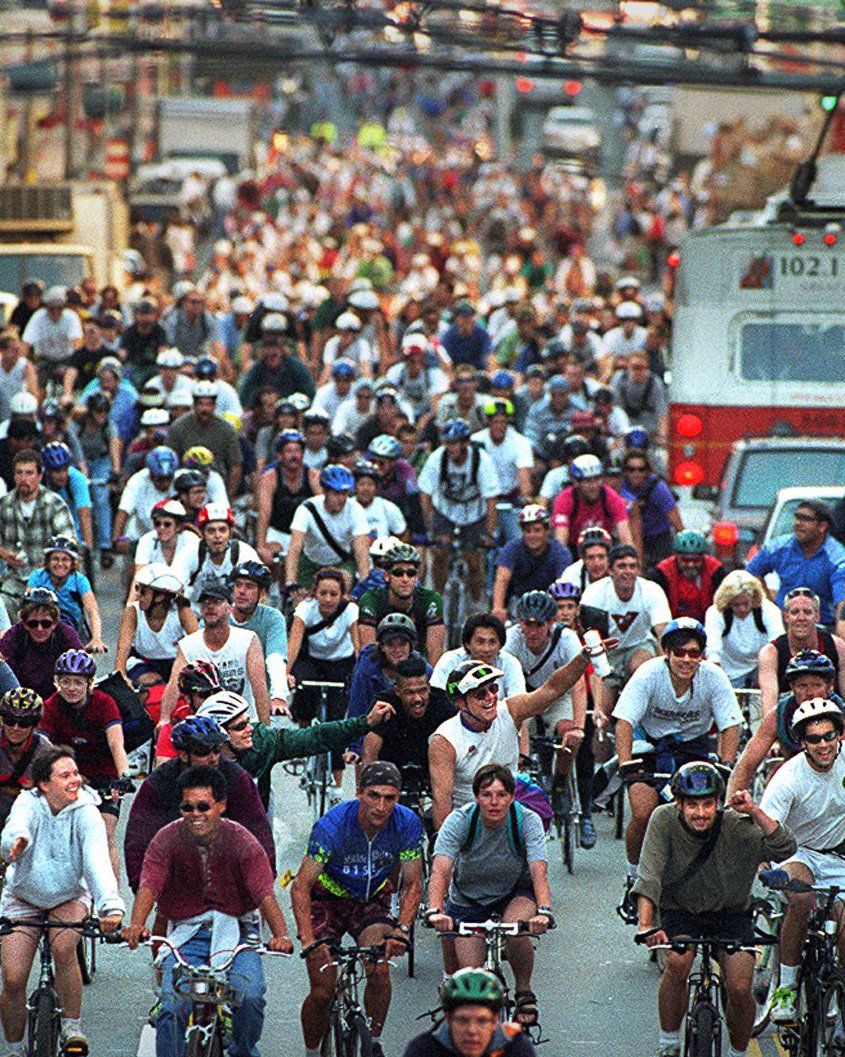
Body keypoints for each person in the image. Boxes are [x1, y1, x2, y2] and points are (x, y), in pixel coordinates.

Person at [124, 764, 293, 1057]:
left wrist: (281, 935)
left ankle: (242, 1050)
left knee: (250, 998)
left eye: (204, 806)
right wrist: (136, 924)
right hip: (186, 936)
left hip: (239, 933)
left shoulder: (243, 841)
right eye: (187, 807)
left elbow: (264, 894)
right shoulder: (166, 839)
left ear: (222, 806)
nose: (195, 814)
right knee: (170, 1006)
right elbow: (149, 885)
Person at [634, 762, 796, 1057]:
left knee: (739, 986)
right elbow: (649, 878)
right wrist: (647, 925)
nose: (700, 813)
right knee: (679, 962)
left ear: (718, 803)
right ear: (678, 803)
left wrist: (755, 812)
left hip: (731, 913)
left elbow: (785, 848)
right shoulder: (663, 820)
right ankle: (668, 1043)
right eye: (692, 805)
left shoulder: (737, 824)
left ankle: (738, 1051)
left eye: (708, 804)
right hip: (681, 910)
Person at [290, 761, 423, 1057]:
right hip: (327, 901)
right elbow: (300, 886)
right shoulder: (332, 825)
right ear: (359, 792)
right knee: (323, 991)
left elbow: (412, 884)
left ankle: (373, 1042)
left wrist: (401, 930)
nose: (381, 805)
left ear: (398, 798)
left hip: (371, 900)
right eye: (373, 796)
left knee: (378, 970)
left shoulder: (408, 823)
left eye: (390, 798)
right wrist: (309, 941)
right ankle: (312, 1052)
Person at [613, 618, 743, 921]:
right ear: (667, 653)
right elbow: (624, 722)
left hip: (692, 747)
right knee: (644, 812)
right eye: (680, 653)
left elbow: (731, 724)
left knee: (706, 814)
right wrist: (625, 765)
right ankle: (634, 877)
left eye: (694, 653)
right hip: (649, 746)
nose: (687, 660)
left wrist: (725, 765)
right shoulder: (648, 674)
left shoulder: (713, 677)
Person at [0, 745, 124, 1057]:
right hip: (23, 895)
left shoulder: (87, 812)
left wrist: (111, 907)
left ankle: (71, 1025)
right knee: (13, 978)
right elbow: (16, 828)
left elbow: (97, 862)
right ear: (43, 784)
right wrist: (14, 845)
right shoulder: (28, 803)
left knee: (64, 947)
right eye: (65, 775)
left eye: (76, 774)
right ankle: (14, 1049)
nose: (75, 781)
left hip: (68, 894)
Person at [427, 764, 553, 1028]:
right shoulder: (461, 820)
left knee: (516, 930)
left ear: (511, 797)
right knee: (472, 987)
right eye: (486, 794)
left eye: (502, 794)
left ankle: (523, 992)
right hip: (468, 899)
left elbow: (538, 869)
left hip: (514, 892)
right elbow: (440, 868)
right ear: (475, 797)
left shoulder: (526, 820)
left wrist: (544, 911)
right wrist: (436, 910)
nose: (494, 802)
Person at [429, 648, 596, 830]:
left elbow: (552, 689)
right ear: (461, 703)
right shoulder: (444, 740)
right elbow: (441, 800)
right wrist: (446, 848)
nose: (491, 698)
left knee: (534, 813)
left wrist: (584, 657)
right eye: (480, 694)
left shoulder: (510, 710)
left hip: (511, 805)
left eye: (493, 689)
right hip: (470, 817)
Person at [759, 699, 845, 1023]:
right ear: (802, 743)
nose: (823, 745)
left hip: (837, 855)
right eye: (814, 739)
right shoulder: (788, 778)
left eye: (829, 736)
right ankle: (788, 986)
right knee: (801, 897)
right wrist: (764, 864)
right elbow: (767, 828)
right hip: (795, 853)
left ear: (839, 735)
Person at [124, 715, 274, 892]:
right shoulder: (159, 782)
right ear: (183, 755)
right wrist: (142, 887)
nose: (213, 758)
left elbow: (258, 831)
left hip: (228, 871)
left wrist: (264, 881)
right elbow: (138, 838)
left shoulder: (237, 778)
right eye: (203, 752)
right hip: (178, 873)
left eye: (217, 750)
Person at [199, 689, 394, 810]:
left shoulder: (263, 742)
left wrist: (366, 722)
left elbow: (316, 736)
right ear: (219, 736)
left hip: (252, 823)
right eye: (240, 727)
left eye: (248, 722)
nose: (250, 729)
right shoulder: (196, 760)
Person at [38, 650, 132, 882]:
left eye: (78, 682)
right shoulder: (50, 706)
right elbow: (43, 746)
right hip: (68, 775)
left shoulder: (104, 703)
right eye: (65, 681)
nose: (71, 688)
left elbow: (116, 743)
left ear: (90, 684)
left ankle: (112, 904)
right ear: (57, 682)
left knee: (105, 833)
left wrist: (124, 776)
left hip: (104, 773)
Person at [504, 591, 587, 814]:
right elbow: (507, 685)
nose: (532, 631)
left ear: (551, 622)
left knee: (567, 732)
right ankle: (523, 782)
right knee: (519, 733)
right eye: (527, 624)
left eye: (539, 624)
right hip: (526, 696)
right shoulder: (511, 638)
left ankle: (560, 783)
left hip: (558, 696)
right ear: (520, 621)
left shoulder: (567, 638)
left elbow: (578, 685)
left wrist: (578, 728)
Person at [726, 650, 844, 798]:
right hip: (798, 780)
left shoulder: (841, 712)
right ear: (792, 687)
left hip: (836, 777)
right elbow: (746, 765)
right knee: (775, 773)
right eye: (802, 686)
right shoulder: (779, 714)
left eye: (816, 685)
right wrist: (730, 808)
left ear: (829, 686)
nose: (810, 693)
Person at [287, 568, 359, 799]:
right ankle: (306, 747)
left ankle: (337, 786)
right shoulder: (304, 610)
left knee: (337, 724)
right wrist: (286, 674)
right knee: (304, 694)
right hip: (312, 660)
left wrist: (360, 676)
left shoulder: (350, 611)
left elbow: (359, 649)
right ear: (314, 593)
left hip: (341, 663)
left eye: (333, 594)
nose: (328, 599)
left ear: (342, 595)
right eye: (323, 593)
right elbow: (294, 645)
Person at [162, 581, 270, 726]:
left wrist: (266, 728)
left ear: (230, 608)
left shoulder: (248, 640)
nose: (210, 607)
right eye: (205, 603)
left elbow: (260, 687)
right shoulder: (188, 644)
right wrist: (164, 719)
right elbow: (173, 685)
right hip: (205, 726)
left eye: (217, 602)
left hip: (243, 722)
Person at [582, 544, 671, 719]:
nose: (627, 572)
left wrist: (666, 678)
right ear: (610, 570)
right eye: (622, 566)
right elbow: (593, 648)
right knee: (603, 714)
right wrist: (598, 705)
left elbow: (664, 636)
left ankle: (638, 726)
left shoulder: (651, 590)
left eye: (633, 566)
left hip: (639, 645)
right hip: (607, 651)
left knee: (641, 667)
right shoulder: (593, 595)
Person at [418, 419, 499, 604]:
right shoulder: (437, 458)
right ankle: (437, 599)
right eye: (448, 443)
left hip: (473, 515)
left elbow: (491, 499)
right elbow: (425, 494)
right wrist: (429, 525)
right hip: (445, 511)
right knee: (439, 553)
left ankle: (476, 602)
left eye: (455, 443)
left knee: (474, 560)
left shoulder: (481, 460)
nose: (451, 448)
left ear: (466, 443)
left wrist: (489, 532)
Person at [0, 449, 76, 617]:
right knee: (3, 606)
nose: (23, 478)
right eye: (19, 473)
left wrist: (50, 562)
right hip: (15, 578)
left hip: (49, 578)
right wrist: (5, 554)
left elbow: (70, 542)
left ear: (40, 476)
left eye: (29, 473)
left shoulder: (54, 503)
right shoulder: (4, 504)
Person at [746, 499, 845, 627]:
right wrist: (771, 607)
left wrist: (840, 632)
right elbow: (751, 574)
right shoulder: (779, 546)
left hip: (822, 626)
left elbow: (842, 602)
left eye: (806, 519)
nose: (798, 523)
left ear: (822, 526)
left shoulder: (837, 557)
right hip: (783, 624)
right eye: (797, 517)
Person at [403, 968, 537, 1057]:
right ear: (448, 1019)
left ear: (495, 1020)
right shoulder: (423, 1050)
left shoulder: (516, 1048)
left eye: (482, 1021)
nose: (472, 1030)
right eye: (462, 1020)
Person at [361, 655, 455, 777]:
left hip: (434, 771)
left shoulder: (442, 703)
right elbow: (370, 750)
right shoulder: (384, 704)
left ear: (429, 688)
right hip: (390, 772)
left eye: (422, 691)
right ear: (397, 692)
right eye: (409, 692)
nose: (417, 698)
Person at [758, 588, 845, 714]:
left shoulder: (837, 646)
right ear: (786, 617)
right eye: (795, 612)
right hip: (788, 723)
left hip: (831, 721)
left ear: (817, 616)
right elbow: (769, 705)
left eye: (807, 612)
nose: (801, 618)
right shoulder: (770, 653)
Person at [285, 464, 370, 589]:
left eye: (344, 493)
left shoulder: (355, 509)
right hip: (311, 562)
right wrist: (290, 582)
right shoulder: (307, 509)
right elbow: (295, 547)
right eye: (336, 493)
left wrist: (364, 582)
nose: (341, 499)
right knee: (300, 597)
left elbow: (361, 549)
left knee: (344, 584)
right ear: (325, 491)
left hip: (340, 563)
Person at [358, 544, 445, 664]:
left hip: (418, 666)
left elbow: (434, 650)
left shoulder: (431, 600)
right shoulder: (371, 600)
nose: (405, 579)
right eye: (398, 573)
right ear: (387, 576)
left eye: (411, 573)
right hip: (382, 665)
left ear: (417, 577)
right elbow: (368, 651)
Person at [115, 564, 198, 683]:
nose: (137, 595)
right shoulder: (132, 611)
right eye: (137, 588)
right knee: (150, 682)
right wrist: (121, 677)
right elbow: (123, 648)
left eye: (143, 592)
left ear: (159, 597)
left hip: (175, 662)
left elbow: (196, 643)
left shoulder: (182, 610)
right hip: (142, 662)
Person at [228, 561, 290, 718]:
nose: (241, 591)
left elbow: (275, 658)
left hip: (259, 694)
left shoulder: (273, 617)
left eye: (249, 587)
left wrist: (278, 695)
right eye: (238, 585)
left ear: (262, 594)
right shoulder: (218, 614)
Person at [0, 588, 84, 702]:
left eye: (46, 623)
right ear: (24, 624)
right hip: (21, 700)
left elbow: (82, 665)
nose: (39, 629)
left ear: (54, 623)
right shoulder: (14, 636)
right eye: (33, 623)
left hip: (59, 700)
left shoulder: (66, 634)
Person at [171, 503, 260, 610]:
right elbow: (174, 584)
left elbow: (260, 587)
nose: (217, 536)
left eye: (222, 530)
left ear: (230, 533)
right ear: (203, 533)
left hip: (232, 616)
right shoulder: (190, 551)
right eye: (211, 531)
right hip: (195, 614)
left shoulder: (244, 552)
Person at [704, 570, 784, 688]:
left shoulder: (769, 610)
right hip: (729, 672)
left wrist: (766, 672)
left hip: (761, 667)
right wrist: (717, 680)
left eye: (746, 604)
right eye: (736, 605)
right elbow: (713, 649)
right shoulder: (716, 612)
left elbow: (778, 642)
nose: (742, 609)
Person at [164, 381, 243, 499]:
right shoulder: (178, 427)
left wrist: (229, 496)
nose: (205, 409)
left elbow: (235, 465)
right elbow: (169, 459)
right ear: (194, 405)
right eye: (201, 404)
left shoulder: (226, 430)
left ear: (215, 406)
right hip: (183, 485)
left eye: (209, 404)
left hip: (214, 483)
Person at [492, 506, 570, 623]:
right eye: (528, 531)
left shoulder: (559, 552)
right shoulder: (512, 548)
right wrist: (498, 608)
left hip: (549, 602)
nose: (532, 535)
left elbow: (562, 584)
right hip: (518, 602)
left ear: (547, 530)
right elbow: (502, 579)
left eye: (537, 530)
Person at [26, 535, 106, 650]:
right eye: (55, 559)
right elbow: (26, 605)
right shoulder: (38, 576)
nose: (60, 564)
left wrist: (96, 638)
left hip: (72, 628)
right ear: (47, 562)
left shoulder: (79, 580)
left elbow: (92, 610)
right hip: (41, 625)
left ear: (73, 563)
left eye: (65, 560)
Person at [471, 400, 534, 543]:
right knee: (476, 543)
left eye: (504, 422)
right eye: (495, 422)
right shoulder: (476, 441)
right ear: (488, 422)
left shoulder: (521, 443)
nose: (500, 426)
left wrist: (526, 496)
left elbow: (524, 477)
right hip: (481, 501)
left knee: (519, 540)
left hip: (509, 501)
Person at [255, 430, 318, 569]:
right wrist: (261, 546)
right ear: (280, 455)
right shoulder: (270, 477)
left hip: (306, 534)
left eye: (297, 451)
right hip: (278, 532)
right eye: (289, 451)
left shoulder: (313, 476)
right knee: (269, 557)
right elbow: (265, 512)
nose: (294, 456)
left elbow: (322, 509)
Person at [431, 614, 525, 705]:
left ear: (500, 644)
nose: (486, 649)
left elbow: (518, 703)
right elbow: (437, 699)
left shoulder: (510, 663)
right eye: (480, 642)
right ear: (467, 643)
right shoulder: (450, 660)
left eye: (492, 642)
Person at [551, 453, 633, 551]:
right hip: (573, 549)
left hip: (603, 547)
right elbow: (561, 540)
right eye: (588, 481)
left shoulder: (611, 497)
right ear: (577, 482)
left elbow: (625, 536)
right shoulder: (565, 499)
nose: (593, 486)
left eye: (597, 479)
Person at [617, 448, 681, 569]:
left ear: (647, 471)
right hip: (630, 535)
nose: (636, 474)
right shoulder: (620, 486)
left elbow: (676, 522)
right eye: (631, 470)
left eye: (641, 470)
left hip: (658, 538)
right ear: (625, 471)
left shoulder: (658, 489)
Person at [0, 688, 51, 831]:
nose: (15, 728)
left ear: (34, 726)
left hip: (30, 819)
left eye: (23, 723)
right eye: (10, 721)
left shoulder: (44, 749)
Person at [651, 530, 727, 623]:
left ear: (703, 557)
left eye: (696, 560)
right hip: (672, 624)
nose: (690, 565)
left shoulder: (716, 571)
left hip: (707, 624)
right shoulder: (663, 572)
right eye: (685, 560)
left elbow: (723, 607)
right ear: (676, 557)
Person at [41, 442, 94, 557]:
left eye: (65, 470)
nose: (62, 475)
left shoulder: (77, 479)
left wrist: (87, 548)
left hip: (72, 529)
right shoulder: (40, 481)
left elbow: (84, 514)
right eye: (57, 471)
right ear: (48, 471)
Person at [559, 526, 612, 594]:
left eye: (601, 557)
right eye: (591, 558)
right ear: (582, 559)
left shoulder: (617, 572)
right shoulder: (571, 575)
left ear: (609, 557)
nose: (597, 563)